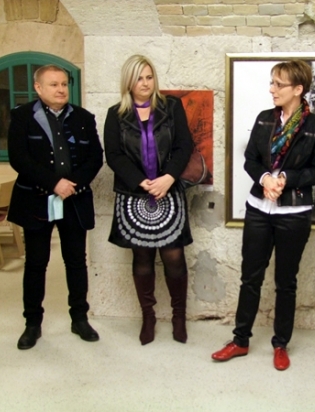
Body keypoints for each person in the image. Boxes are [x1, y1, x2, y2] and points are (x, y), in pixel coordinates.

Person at [211, 60, 315, 371]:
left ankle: (281, 344)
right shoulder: (265, 119)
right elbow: (250, 159)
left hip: (294, 212)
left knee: (285, 282)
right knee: (250, 276)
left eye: (279, 84)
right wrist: (265, 179)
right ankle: (240, 340)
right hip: (259, 208)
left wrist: (285, 179)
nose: (272, 89)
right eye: (271, 82)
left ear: (298, 89)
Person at [8, 64, 104, 350]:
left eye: (64, 84)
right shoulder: (22, 117)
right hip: (36, 200)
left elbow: (95, 157)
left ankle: (80, 319)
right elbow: (19, 158)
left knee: (76, 262)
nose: (61, 89)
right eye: (54, 85)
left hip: (74, 200)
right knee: (36, 263)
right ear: (38, 88)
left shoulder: (83, 118)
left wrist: (71, 184)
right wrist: (54, 183)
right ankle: (32, 324)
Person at [104, 55, 194, 346]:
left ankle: (179, 316)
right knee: (142, 257)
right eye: (138, 78)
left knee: (174, 256)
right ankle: (148, 316)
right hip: (134, 194)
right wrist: (140, 181)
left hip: (168, 190)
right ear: (128, 82)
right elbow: (113, 155)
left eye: (149, 77)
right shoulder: (115, 114)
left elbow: (184, 146)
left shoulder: (172, 107)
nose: (145, 83)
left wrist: (168, 177)